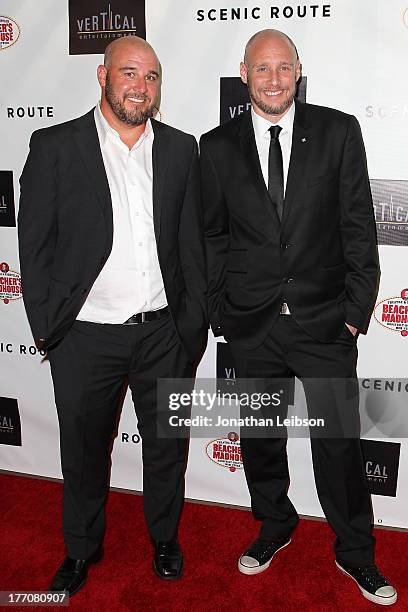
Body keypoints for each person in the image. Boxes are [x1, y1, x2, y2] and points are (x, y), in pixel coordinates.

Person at [200, 29, 397, 606]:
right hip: (251, 325)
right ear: (244, 73)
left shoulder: (338, 132)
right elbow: (211, 234)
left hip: (325, 323)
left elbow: (360, 226)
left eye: (284, 67)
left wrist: (355, 314)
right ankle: (274, 524)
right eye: (263, 68)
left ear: (298, 70)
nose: (274, 79)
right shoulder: (216, 147)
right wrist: (220, 313)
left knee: (338, 441)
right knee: (261, 438)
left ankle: (356, 550)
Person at [18, 36, 207, 595]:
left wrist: (190, 325)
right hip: (84, 336)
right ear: (101, 75)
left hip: (164, 334)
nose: (139, 87)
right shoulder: (54, 146)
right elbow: (36, 247)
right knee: (81, 451)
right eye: (129, 73)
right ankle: (80, 549)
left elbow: (192, 243)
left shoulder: (180, 149)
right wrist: (52, 327)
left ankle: (165, 539)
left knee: (167, 446)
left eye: (150, 77)